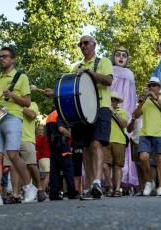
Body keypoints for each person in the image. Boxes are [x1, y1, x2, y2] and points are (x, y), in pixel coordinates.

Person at [44, 35, 113, 200]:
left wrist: (89, 72)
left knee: (96, 143)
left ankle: (97, 182)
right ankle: (90, 186)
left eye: (86, 43)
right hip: (80, 112)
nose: (83, 46)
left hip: (101, 108)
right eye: (80, 44)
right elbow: (71, 89)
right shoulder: (75, 66)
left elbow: (108, 80)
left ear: (94, 44)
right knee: (86, 148)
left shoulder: (103, 62)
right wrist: (55, 93)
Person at [0, 47, 37, 206]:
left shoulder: (21, 77)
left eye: (5, 56)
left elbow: (27, 102)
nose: (1, 59)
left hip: (13, 117)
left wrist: (13, 96)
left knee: (12, 154)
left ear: (13, 59)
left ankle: (29, 187)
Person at [133, 77, 161, 196]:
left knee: (160, 159)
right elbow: (135, 115)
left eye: (154, 85)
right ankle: (149, 181)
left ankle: (160, 186)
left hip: (160, 132)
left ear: (159, 87)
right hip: (145, 133)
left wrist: (156, 98)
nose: (151, 88)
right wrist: (141, 102)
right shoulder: (145, 100)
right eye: (150, 85)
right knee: (143, 157)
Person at [110, 46, 138, 190]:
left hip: (124, 110)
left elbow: (131, 97)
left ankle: (123, 183)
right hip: (110, 110)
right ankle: (107, 183)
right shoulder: (109, 71)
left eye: (124, 55)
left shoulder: (129, 74)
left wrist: (129, 114)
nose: (121, 57)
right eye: (118, 54)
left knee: (123, 148)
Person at [103, 92, 128, 197]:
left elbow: (124, 124)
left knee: (118, 166)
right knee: (104, 165)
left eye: (115, 100)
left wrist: (113, 112)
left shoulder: (122, 112)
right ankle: (109, 187)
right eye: (111, 99)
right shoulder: (103, 112)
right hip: (105, 141)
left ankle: (117, 189)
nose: (113, 101)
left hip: (119, 141)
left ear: (118, 102)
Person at [35, 125, 50, 195]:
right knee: (46, 175)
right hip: (43, 159)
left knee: (42, 177)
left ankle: (41, 191)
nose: (40, 131)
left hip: (41, 159)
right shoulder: (38, 138)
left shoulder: (45, 138)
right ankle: (42, 192)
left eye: (42, 130)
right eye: (39, 129)